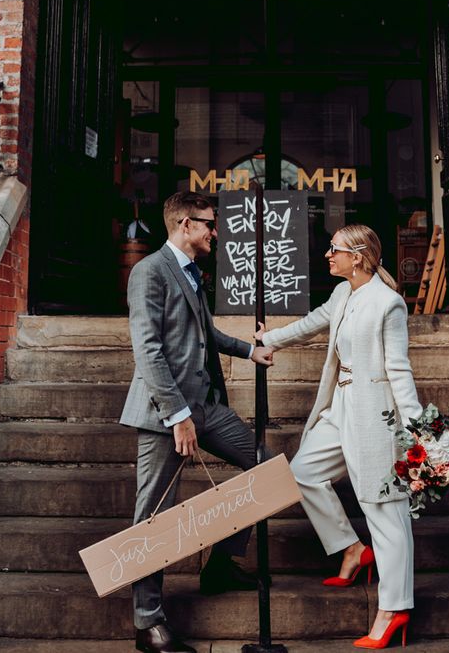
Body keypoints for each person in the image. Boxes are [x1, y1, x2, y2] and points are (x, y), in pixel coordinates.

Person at [120, 190, 275, 653]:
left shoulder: (191, 273)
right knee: (153, 517)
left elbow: (205, 333)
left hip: (207, 406)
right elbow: (148, 350)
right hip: (166, 414)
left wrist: (251, 350)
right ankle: (148, 621)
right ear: (185, 225)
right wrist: (178, 415)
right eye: (209, 223)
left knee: (263, 467)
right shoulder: (149, 271)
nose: (215, 231)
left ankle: (222, 563)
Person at [256, 224, 422, 649]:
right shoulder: (343, 293)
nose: (327, 256)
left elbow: (399, 371)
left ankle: (395, 608)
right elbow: (312, 324)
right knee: (302, 472)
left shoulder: (388, 304)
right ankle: (351, 549)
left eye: (335, 250)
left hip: (375, 416)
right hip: (339, 409)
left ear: (359, 256)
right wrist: (268, 339)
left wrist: (421, 430)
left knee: (383, 508)